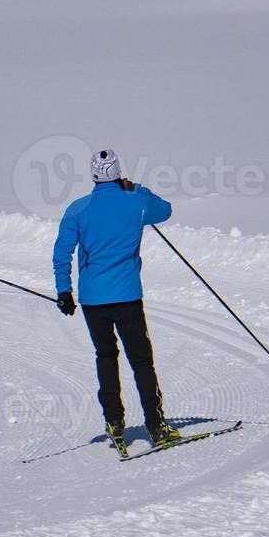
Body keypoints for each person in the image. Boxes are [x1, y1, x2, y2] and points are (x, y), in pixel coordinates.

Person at [52, 149, 178, 454]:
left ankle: (114, 421)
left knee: (106, 357)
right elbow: (165, 210)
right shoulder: (135, 202)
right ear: (118, 173)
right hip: (127, 297)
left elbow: (61, 253)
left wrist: (64, 292)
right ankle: (156, 426)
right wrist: (135, 188)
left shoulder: (78, 209)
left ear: (93, 175)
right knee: (141, 361)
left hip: (94, 300)